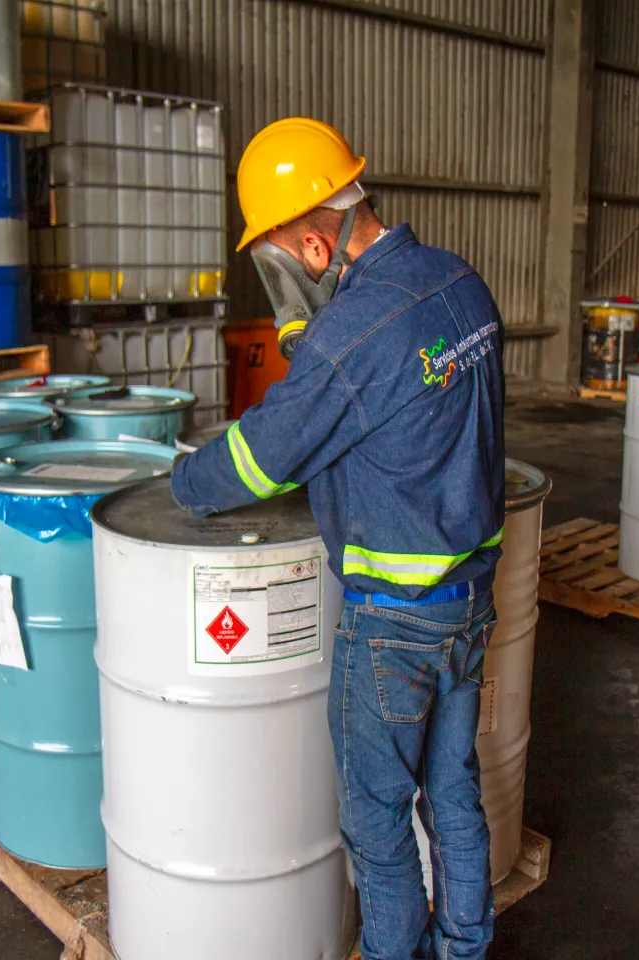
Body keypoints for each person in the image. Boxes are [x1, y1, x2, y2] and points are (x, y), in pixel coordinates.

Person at [170, 117, 506, 960]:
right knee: (453, 794)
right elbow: (392, 399)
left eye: (282, 261)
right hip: (470, 604)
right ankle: (466, 949)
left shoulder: (350, 341)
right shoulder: (461, 283)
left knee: (378, 824)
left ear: (315, 247)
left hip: (392, 626)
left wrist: (178, 481)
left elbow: (260, 460)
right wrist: (317, 350)